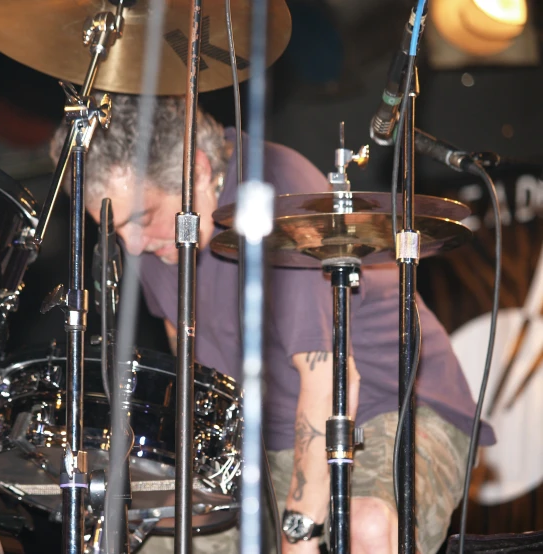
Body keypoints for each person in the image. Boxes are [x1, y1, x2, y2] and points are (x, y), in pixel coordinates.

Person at [50, 94, 495, 554]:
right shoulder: (155, 233)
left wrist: (298, 532)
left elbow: (330, 381)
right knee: (147, 539)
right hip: (263, 437)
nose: (135, 245)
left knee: (364, 528)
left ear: (198, 170)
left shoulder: (277, 192)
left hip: (387, 409)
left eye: (141, 219)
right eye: (116, 231)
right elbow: (187, 350)